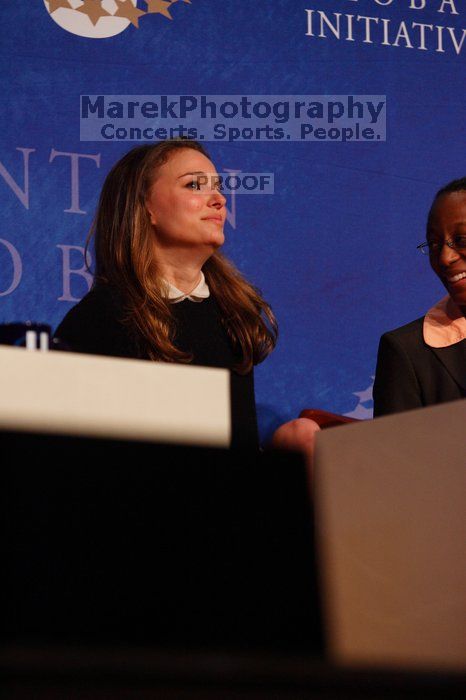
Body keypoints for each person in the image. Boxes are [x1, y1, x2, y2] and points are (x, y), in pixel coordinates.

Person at [54, 138, 320, 456]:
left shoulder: (235, 312)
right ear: (146, 207)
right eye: (194, 185)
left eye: (218, 187)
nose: (219, 199)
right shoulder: (97, 320)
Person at [373, 177, 466, 416]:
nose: (445, 258)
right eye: (434, 244)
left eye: (461, 240)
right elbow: (395, 452)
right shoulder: (407, 352)